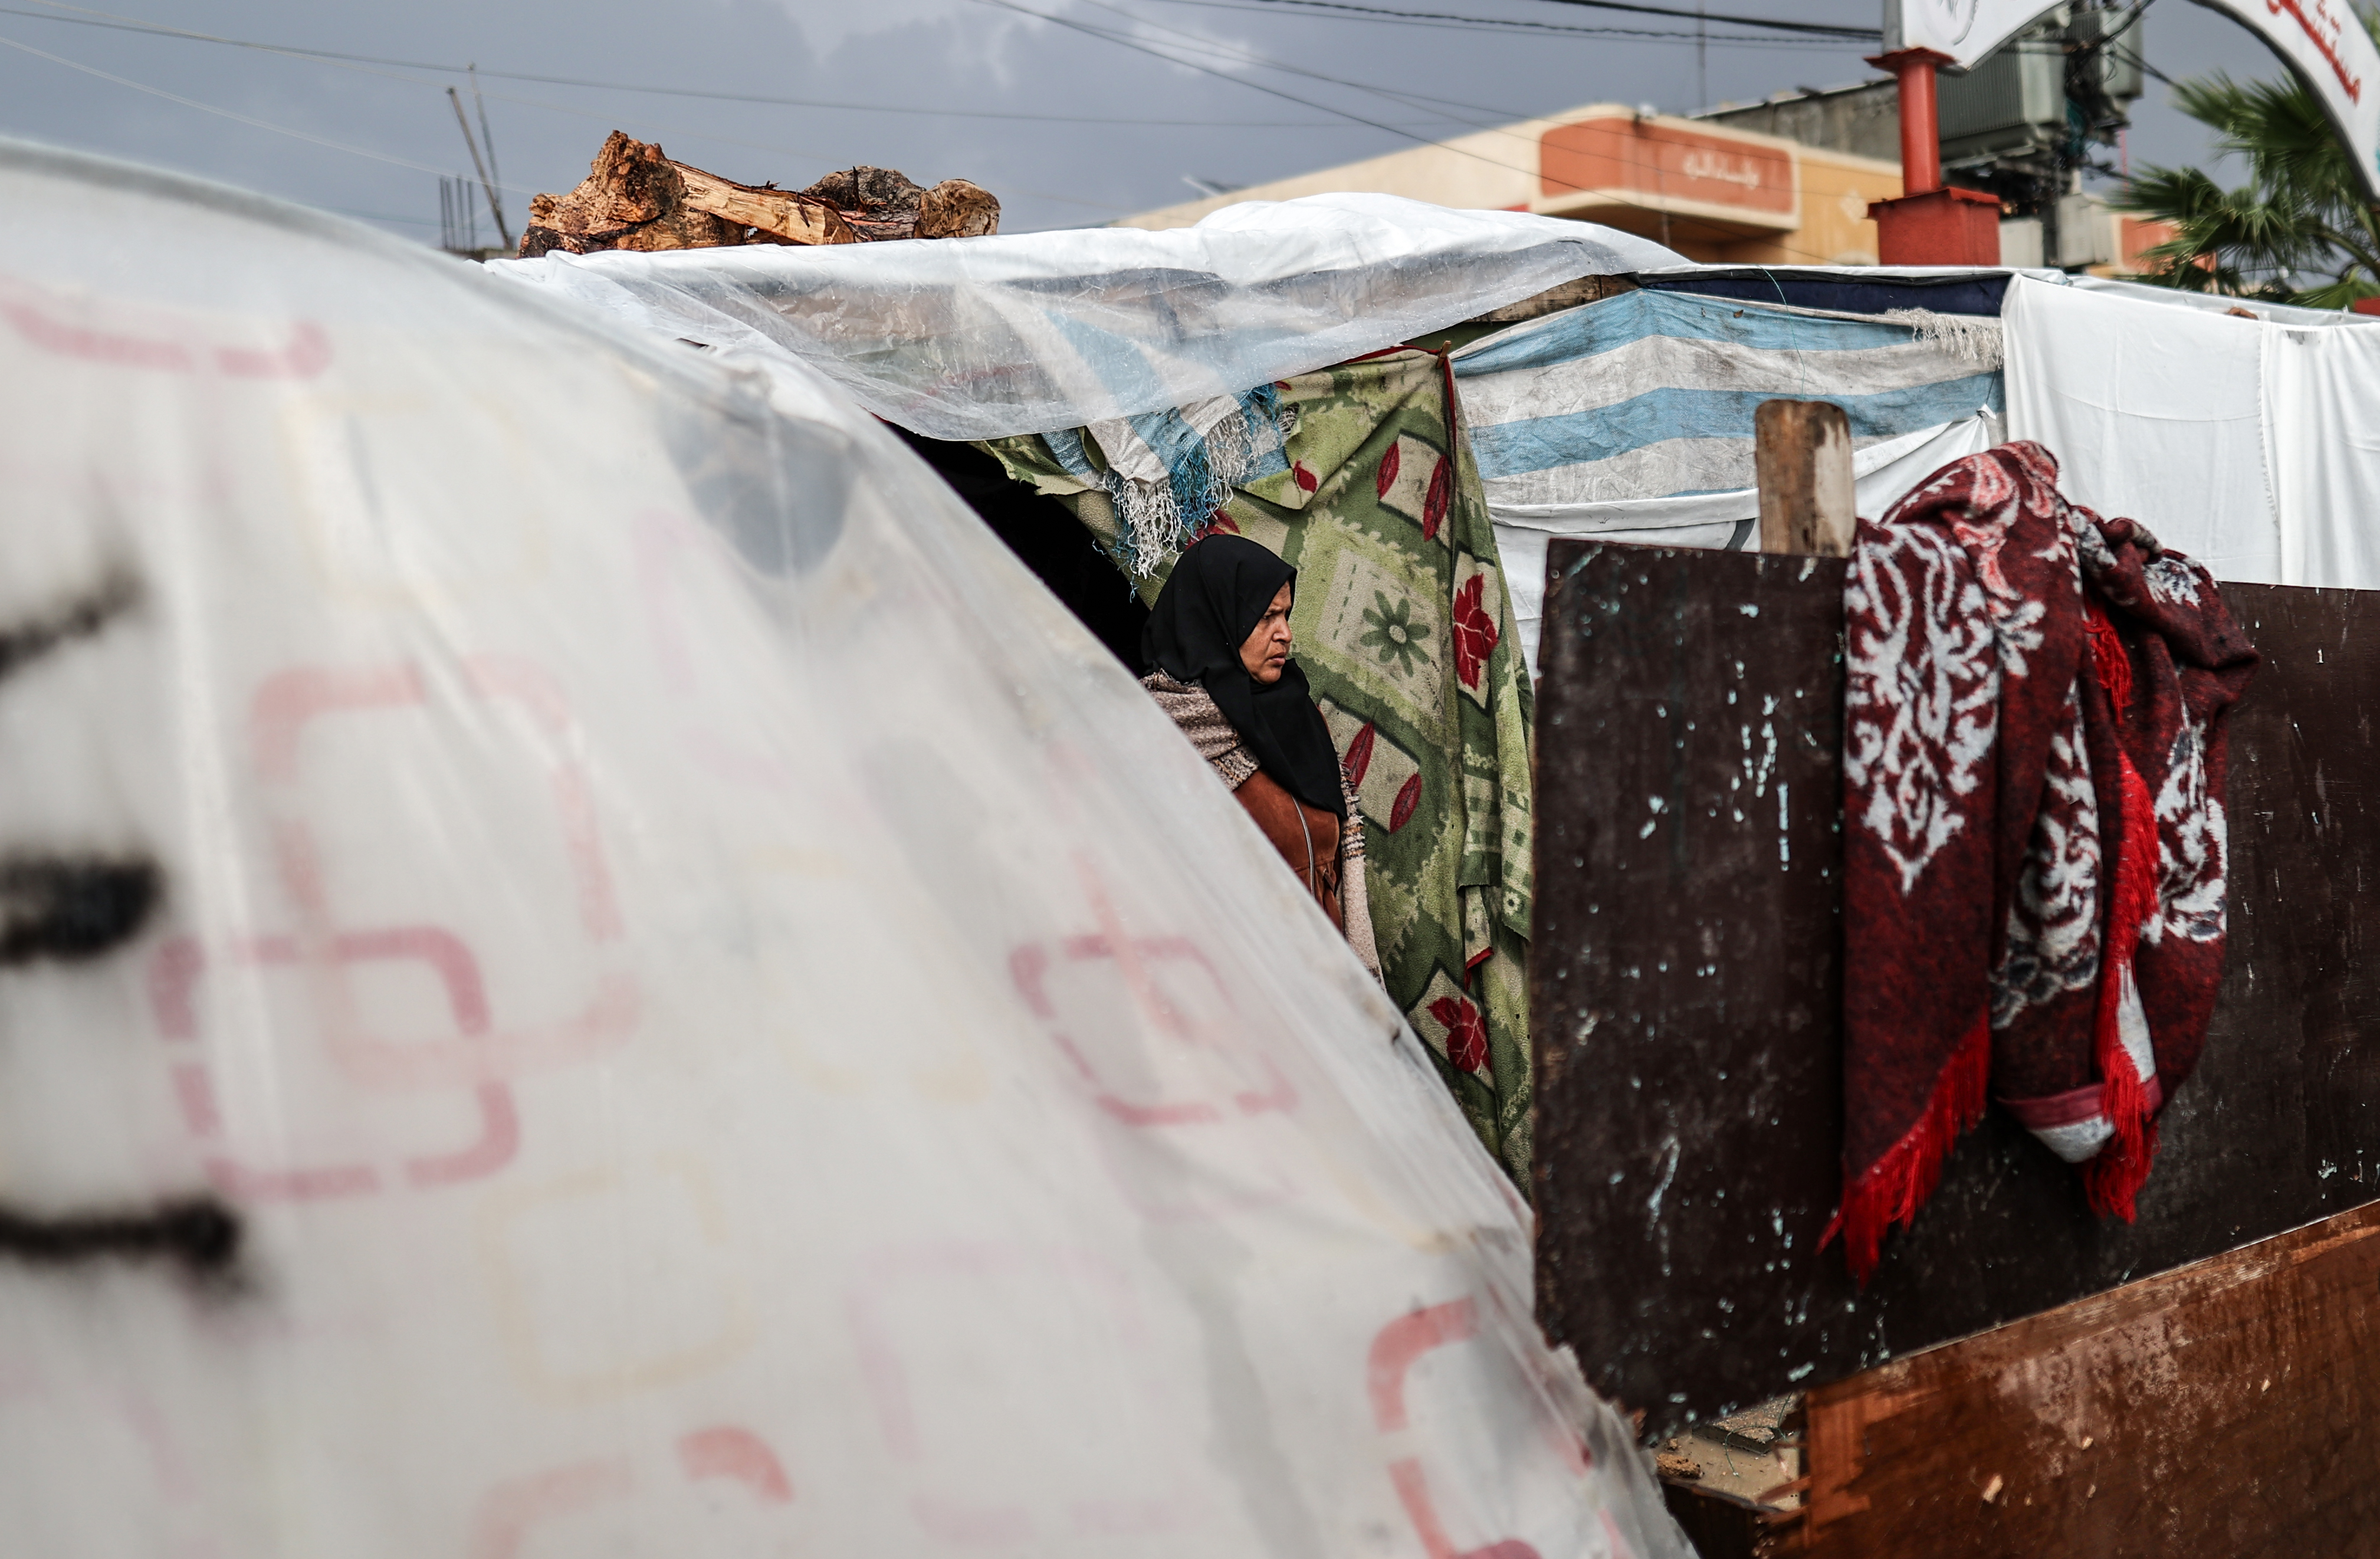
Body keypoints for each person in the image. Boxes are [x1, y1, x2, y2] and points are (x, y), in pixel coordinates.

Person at [1141, 535, 1381, 979]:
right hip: (1236, 1001)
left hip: (1328, 996)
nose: (1285, 632)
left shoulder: (1298, 721)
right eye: (1266, 616)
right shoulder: (1157, 739)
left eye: (1285, 614)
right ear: (1217, 621)